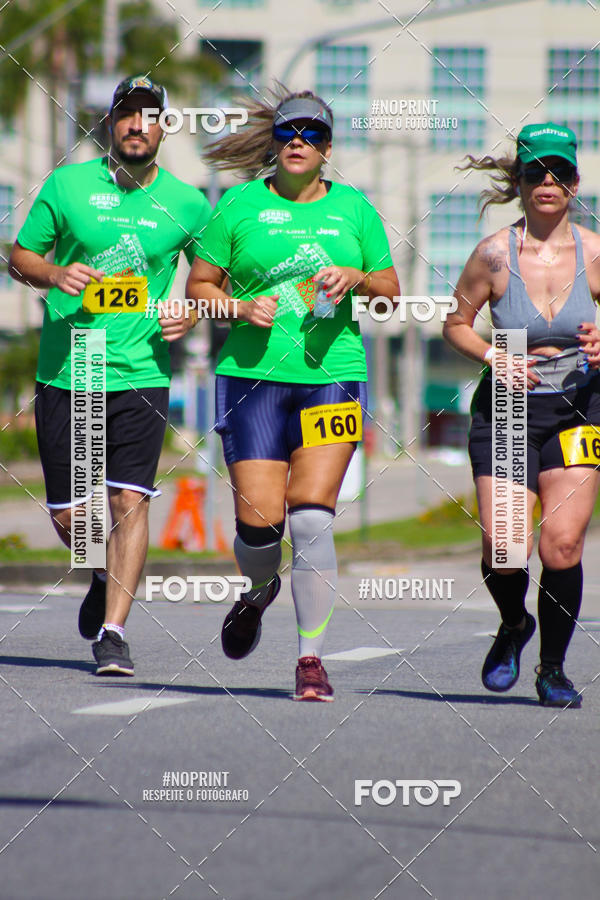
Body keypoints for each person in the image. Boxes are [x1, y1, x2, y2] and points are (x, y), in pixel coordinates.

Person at [186, 89, 399, 700]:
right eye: (288, 132)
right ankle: (258, 590)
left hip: (332, 375)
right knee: (260, 526)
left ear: (328, 148)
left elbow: (389, 292)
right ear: (275, 143)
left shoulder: (354, 208)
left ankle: (310, 659)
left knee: (309, 517)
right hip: (250, 378)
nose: (299, 141)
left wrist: (358, 277)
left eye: (312, 133)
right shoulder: (239, 204)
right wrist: (237, 306)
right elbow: (199, 286)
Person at [8, 75, 212, 676]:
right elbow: (20, 256)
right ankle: (100, 570)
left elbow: (208, 279)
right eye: (127, 114)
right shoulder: (68, 185)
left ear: (164, 127)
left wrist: (191, 311)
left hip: (141, 370)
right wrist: (53, 274)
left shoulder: (188, 203)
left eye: (149, 116)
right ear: (110, 122)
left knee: (129, 500)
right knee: (71, 516)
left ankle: (114, 632)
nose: (136, 125)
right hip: (71, 368)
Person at [443, 122, 600, 708]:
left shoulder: (594, 252)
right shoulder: (493, 254)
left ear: (575, 183)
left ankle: (552, 669)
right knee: (506, 547)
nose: (548, 182)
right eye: (536, 172)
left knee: (563, 545)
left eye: (559, 172)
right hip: (508, 409)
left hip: (580, 406)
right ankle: (514, 623)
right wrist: (494, 356)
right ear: (521, 182)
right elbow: (455, 324)